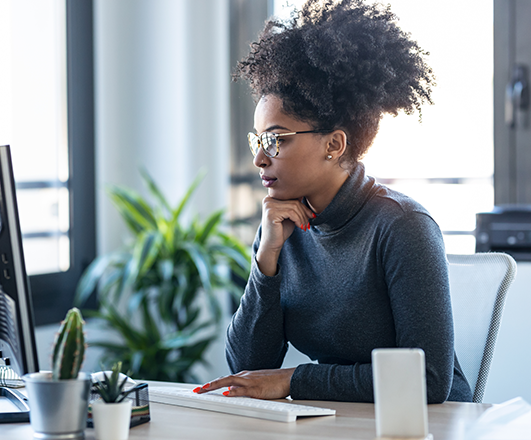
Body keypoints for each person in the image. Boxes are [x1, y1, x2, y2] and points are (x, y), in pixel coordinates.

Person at [194, 0, 472, 403]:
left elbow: (427, 381)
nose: (259, 158)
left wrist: (294, 381)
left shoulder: (402, 226)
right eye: (257, 140)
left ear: (334, 144)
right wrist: (266, 263)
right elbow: (246, 368)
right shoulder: (279, 226)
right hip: (338, 423)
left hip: (426, 427)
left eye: (275, 139)